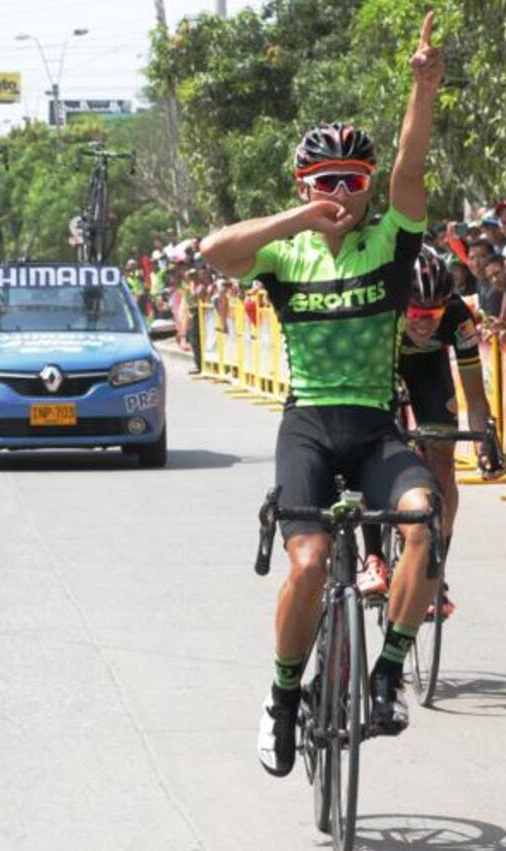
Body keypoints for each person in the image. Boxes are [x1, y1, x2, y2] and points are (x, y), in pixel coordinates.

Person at [200, 12, 445, 777]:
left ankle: (386, 671)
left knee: (423, 525)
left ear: (370, 190)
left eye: (352, 182)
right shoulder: (286, 251)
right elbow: (213, 251)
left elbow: (410, 166)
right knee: (306, 566)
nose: (341, 192)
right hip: (307, 425)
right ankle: (280, 700)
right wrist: (299, 216)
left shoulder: (390, 243)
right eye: (324, 183)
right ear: (305, 189)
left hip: (373, 427)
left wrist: (423, 85)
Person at [359, 247, 505, 603]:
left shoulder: (458, 315)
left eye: (433, 314)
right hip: (382, 364)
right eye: (417, 314)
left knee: (443, 460)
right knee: (367, 449)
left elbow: (474, 392)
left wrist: (488, 442)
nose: (425, 323)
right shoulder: (381, 309)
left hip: (429, 371)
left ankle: (434, 569)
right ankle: (374, 556)